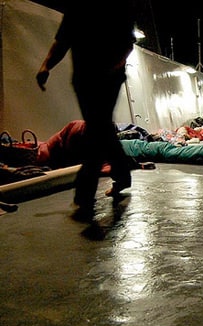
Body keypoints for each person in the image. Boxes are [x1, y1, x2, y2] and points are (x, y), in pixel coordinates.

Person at [36, 0, 136, 222]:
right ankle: (122, 175)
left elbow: (128, 44)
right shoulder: (78, 6)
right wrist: (46, 66)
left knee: (97, 129)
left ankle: (85, 194)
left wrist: (114, 66)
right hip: (84, 79)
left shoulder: (119, 6)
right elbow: (63, 41)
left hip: (109, 77)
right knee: (100, 129)